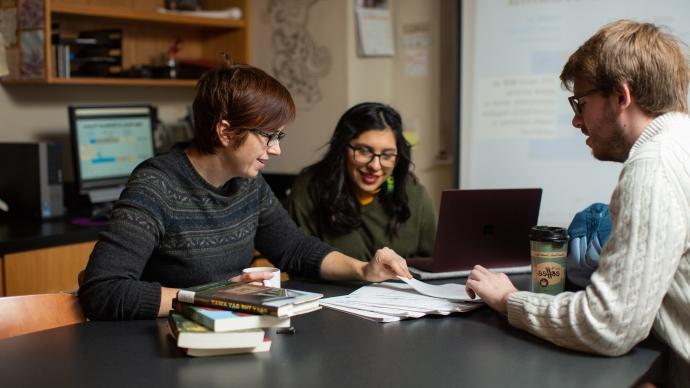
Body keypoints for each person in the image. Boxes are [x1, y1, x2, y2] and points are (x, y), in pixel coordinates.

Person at [78, 62, 411, 321]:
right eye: (268, 136)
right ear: (225, 131)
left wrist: (363, 270)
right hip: (163, 344)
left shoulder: (248, 183)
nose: (276, 149)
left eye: (279, 137)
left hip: (230, 328)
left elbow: (293, 248)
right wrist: (214, 296)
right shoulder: (156, 186)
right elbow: (102, 290)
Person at [465, 20, 690, 385]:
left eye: (581, 103)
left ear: (621, 96)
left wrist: (510, 301)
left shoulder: (653, 166)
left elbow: (610, 325)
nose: (575, 119)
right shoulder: (681, 141)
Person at [287, 102, 436, 260]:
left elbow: (435, 264)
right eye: (364, 151)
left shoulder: (413, 193)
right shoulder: (310, 188)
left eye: (387, 155)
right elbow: (297, 260)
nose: (375, 165)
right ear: (343, 148)